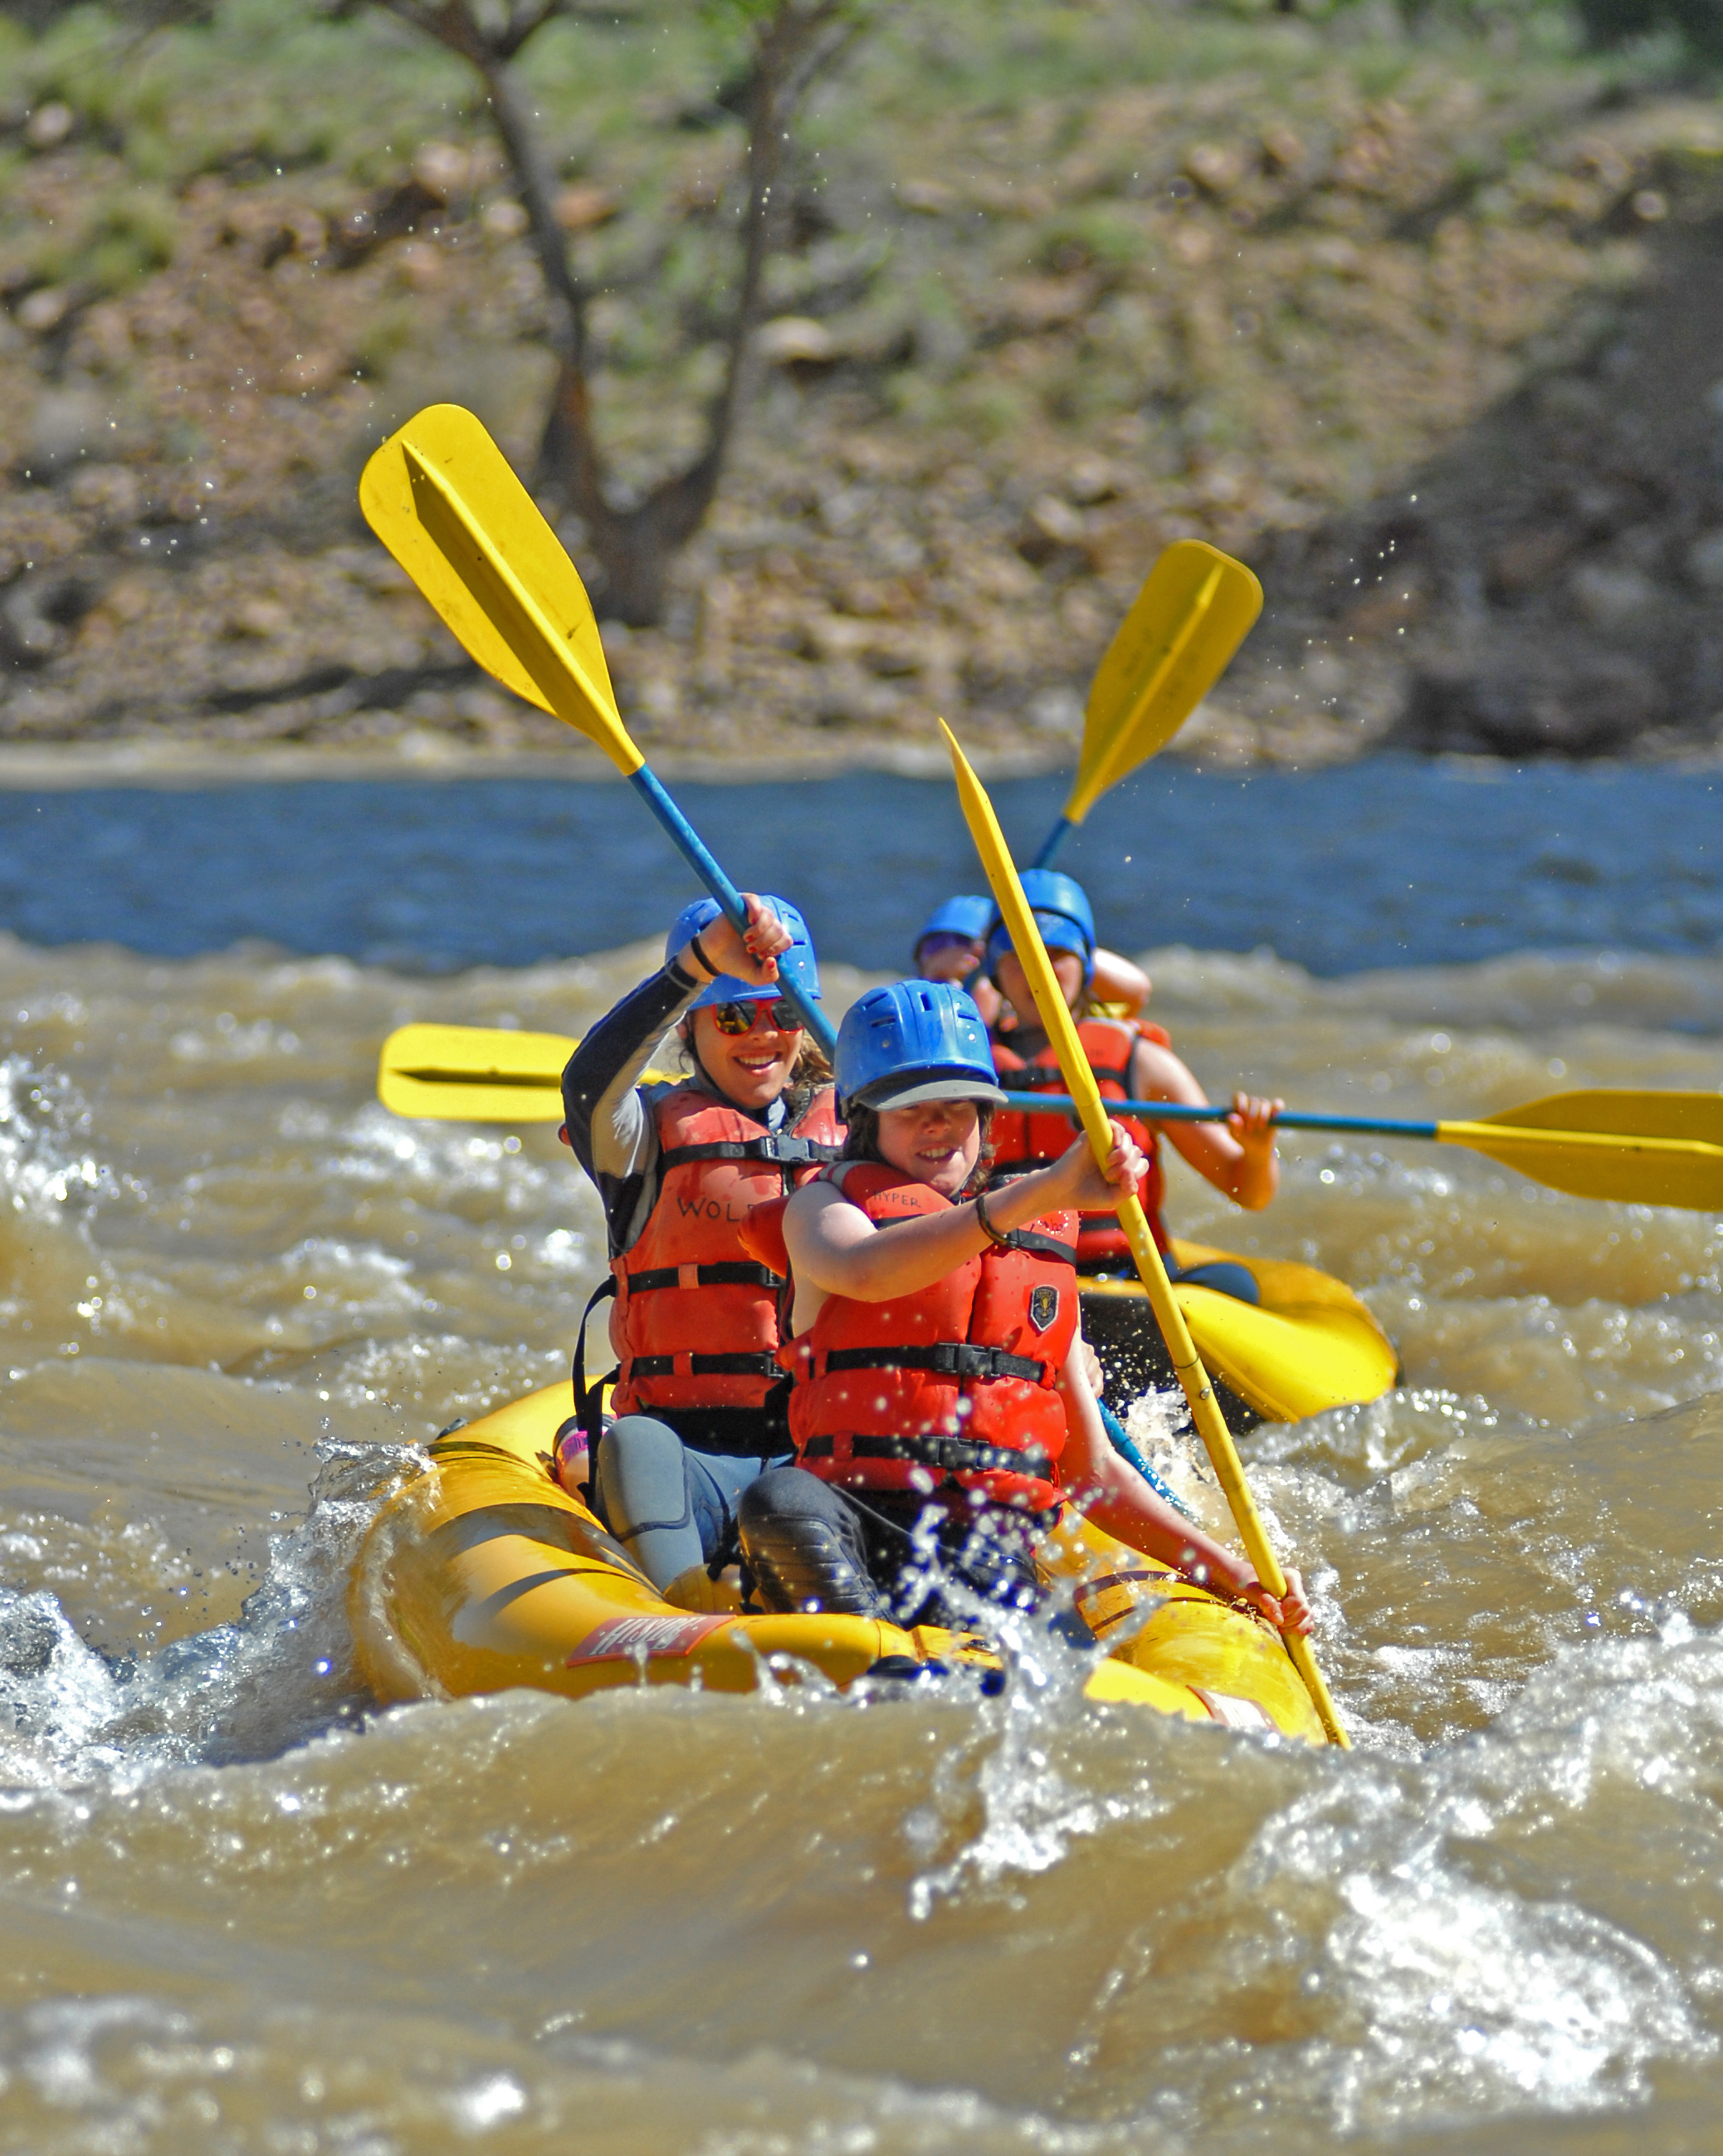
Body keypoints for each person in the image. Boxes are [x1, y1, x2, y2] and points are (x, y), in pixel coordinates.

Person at [735, 979, 1310, 1635]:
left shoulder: (1033, 1258)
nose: (938, 1125)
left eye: (959, 1106)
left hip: (981, 1552)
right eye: (911, 1108)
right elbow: (866, 1270)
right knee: (778, 1500)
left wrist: (1233, 1573)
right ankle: (868, 1649)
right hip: (849, 1521)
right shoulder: (824, 1206)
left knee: (1021, 1612)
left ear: (985, 1116)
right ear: (862, 1118)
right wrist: (1040, 1191)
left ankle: (931, 1653)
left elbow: (1093, 1473)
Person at [559, 892, 842, 1591]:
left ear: (805, 1026)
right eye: (736, 1014)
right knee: (633, 1442)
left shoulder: (858, 1135)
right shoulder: (643, 1135)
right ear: (690, 1027)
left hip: (820, 1453)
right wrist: (695, 966)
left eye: (782, 1014)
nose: (761, 1035)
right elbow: (588, 1087)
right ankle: (687, 1612)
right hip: (684, 1458)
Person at [985, 869, 1280, 1300]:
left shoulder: (1141, 1063)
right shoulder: (966, 1069)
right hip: (1012, 1284)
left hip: (1129, 1280)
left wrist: (1256, 1149)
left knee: (1235, 1287)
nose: (1038, 969)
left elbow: (1246, 1190)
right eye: (1020, 955)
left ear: (1086, 965)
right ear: (994, 970)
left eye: (1056, 952)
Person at [912, 892, 1150, 1032]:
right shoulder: (909, 1022)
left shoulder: (1022, 1015)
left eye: (965, 984)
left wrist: (1057, 937)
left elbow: (1137, 990)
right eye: (938, 982)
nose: (949, 1000)